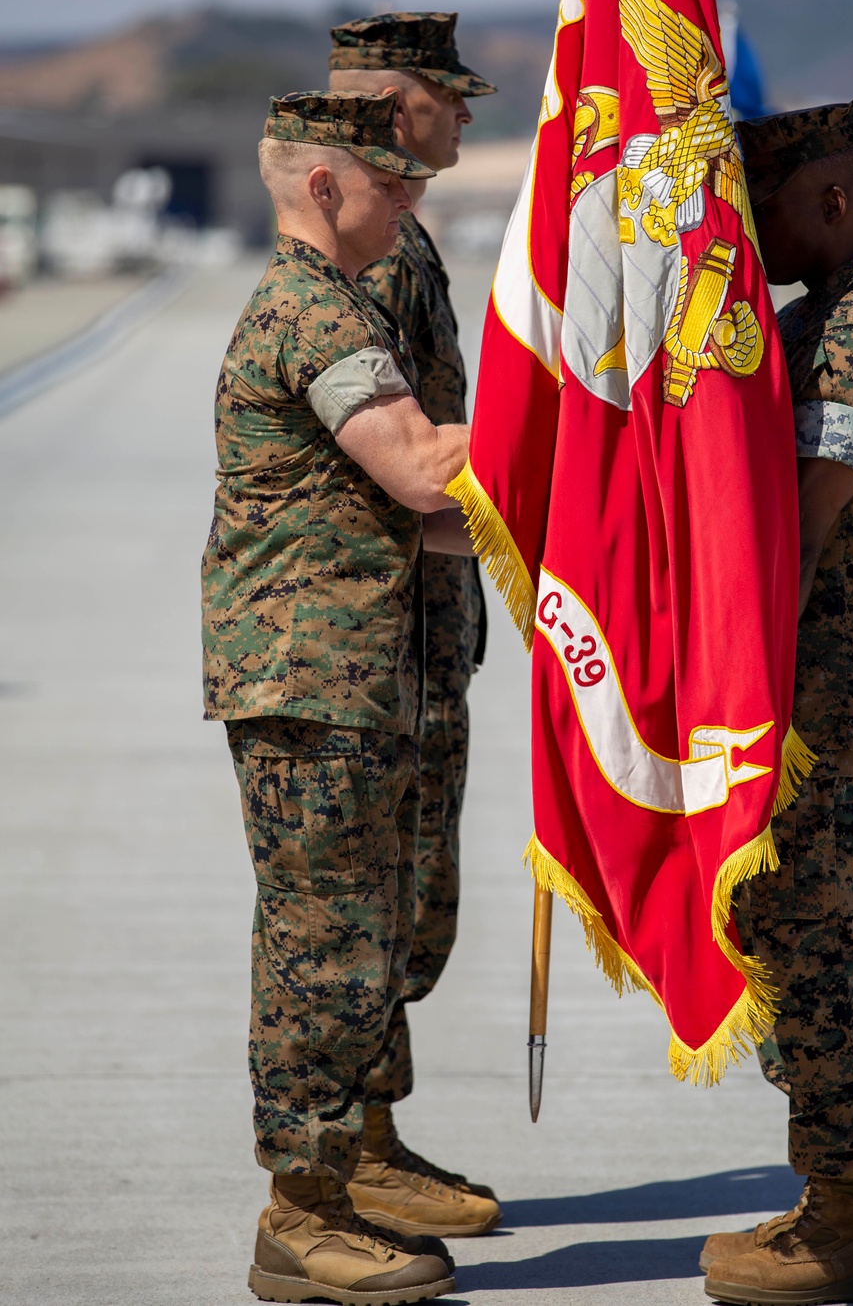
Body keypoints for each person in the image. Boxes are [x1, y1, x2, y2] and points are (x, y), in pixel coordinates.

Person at [201, 89, 474, 1306]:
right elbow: (422, 471)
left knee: (355, 945)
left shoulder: (347, 301)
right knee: (321, 951)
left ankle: (338, 1181)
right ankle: (298, 1217)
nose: (411, 196)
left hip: (351, 673)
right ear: (322, 186)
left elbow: (431, 519)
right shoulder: (312, 312)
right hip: (312, 681)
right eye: (389, 182)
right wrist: (585, 429)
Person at [701, 101, 853, 1306]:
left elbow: (796, 530)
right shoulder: (810, 324)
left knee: (818, 930)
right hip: (802, 673)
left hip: (831, 680)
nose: (749, 234)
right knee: (786, 926)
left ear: (836, 205)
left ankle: (848, 1216)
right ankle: (829, 1193)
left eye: (768, 210)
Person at [324, 13, 501, 1237]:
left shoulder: (405, 239)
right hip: (379, 633)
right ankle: (348, 1152)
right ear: (398, 99)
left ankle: (374, 1133)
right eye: (449, 94)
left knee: (410, 898)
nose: (469, 114)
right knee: (371, 902)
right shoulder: (370, 260)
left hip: (423, 617)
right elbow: (409, 464)